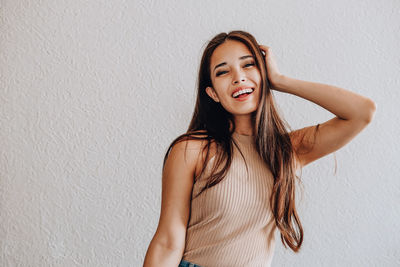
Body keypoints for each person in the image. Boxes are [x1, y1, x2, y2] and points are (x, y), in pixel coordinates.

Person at [143, 30, 376, 267]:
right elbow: (167, 242)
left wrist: (280, 80)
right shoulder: (192, 150)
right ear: (212, 93)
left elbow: (361, 112)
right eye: (223, 71)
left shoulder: (288, 150)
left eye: (249, 65)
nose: (238, 77)